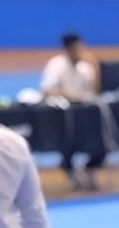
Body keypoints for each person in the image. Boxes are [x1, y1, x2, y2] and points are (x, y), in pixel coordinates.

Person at [40, 33, 106, 189]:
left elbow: (96, 91)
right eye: (77, 48)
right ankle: (69, 169)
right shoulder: (56, 65)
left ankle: (90, 168)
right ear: (68, 49)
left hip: (85, 112)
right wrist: (71, 95)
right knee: (68, 138)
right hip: (62, 114)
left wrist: (95, 66)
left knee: (103, 135)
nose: (81, 51)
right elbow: (47, 90)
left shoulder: (86, 67)